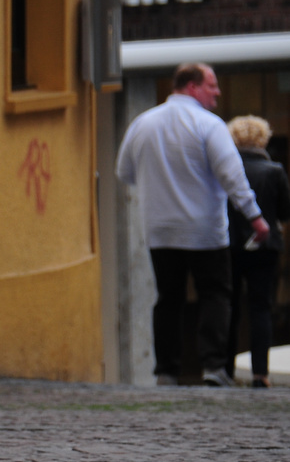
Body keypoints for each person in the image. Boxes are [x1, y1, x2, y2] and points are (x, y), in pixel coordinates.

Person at [116, 62, 272, 387]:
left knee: (168, 298)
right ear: (192, 86)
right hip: (205, 231)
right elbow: (232, 176)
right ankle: (213, 367)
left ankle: (166, 371)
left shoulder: (142, 124)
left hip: (160, 229)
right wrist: (255, 218)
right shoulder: (209, 125)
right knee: (215, 294)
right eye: (212, 85)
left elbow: (124, 172)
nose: (217, 92)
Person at [225, 115, 288, 387]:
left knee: (230, 306)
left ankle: (223, 369)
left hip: (230, 244)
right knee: (261, 307)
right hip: (264, 246)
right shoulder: (274, 171)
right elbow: (285, 211)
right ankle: (260, 373)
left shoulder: (225, 169)